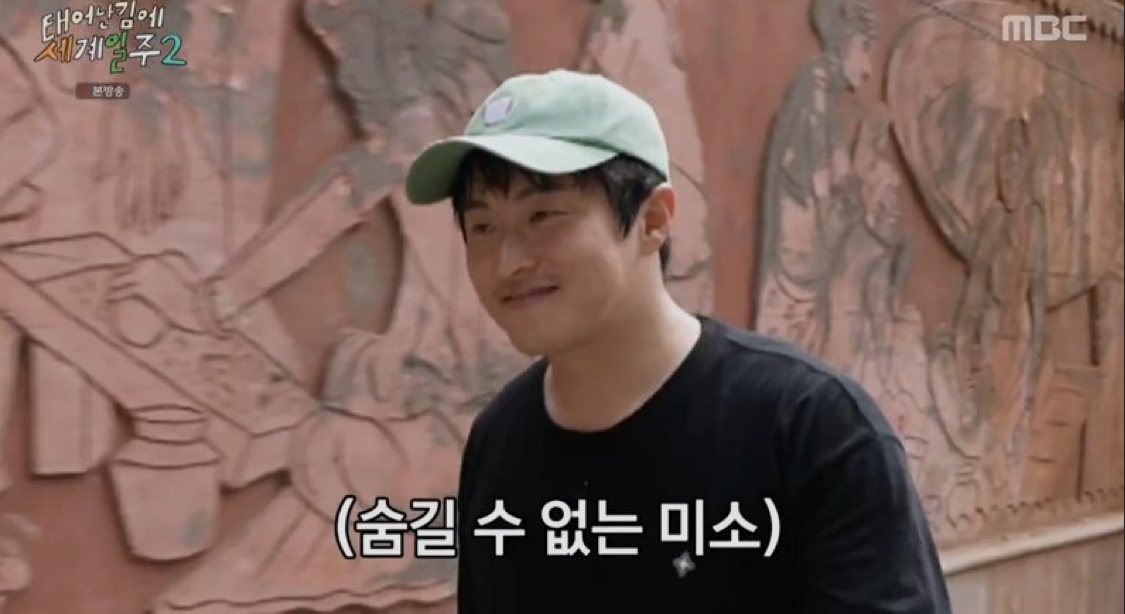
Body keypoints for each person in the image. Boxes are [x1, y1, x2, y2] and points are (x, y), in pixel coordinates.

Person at [403, 69, 952, 613]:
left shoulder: (811, 428)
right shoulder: (499, 440)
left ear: (653, 219)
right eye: (483, 227)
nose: (508, 262)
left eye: (542, 215)